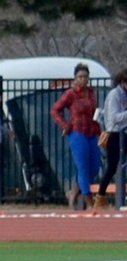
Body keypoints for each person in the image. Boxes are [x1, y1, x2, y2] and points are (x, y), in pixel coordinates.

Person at [51, 62, 103, 209]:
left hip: (92, 132)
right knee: (83, 167)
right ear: (75, 79)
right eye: (80, 76)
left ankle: (74, 191)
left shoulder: (93, 93)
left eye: (85, 76)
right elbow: (55, 110)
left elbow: (94, 113)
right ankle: (88, 201)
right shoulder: (71, 94)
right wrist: (65, 125)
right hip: (77, 132)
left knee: (95, 166)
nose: (83, 79)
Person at [102, 69, 127, 208]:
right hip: (114, 133)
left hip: (124, 133)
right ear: (123, 82)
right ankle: (100, 196)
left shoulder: (125, 94)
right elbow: (114, 118)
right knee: (112, 167)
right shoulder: (115, 95)